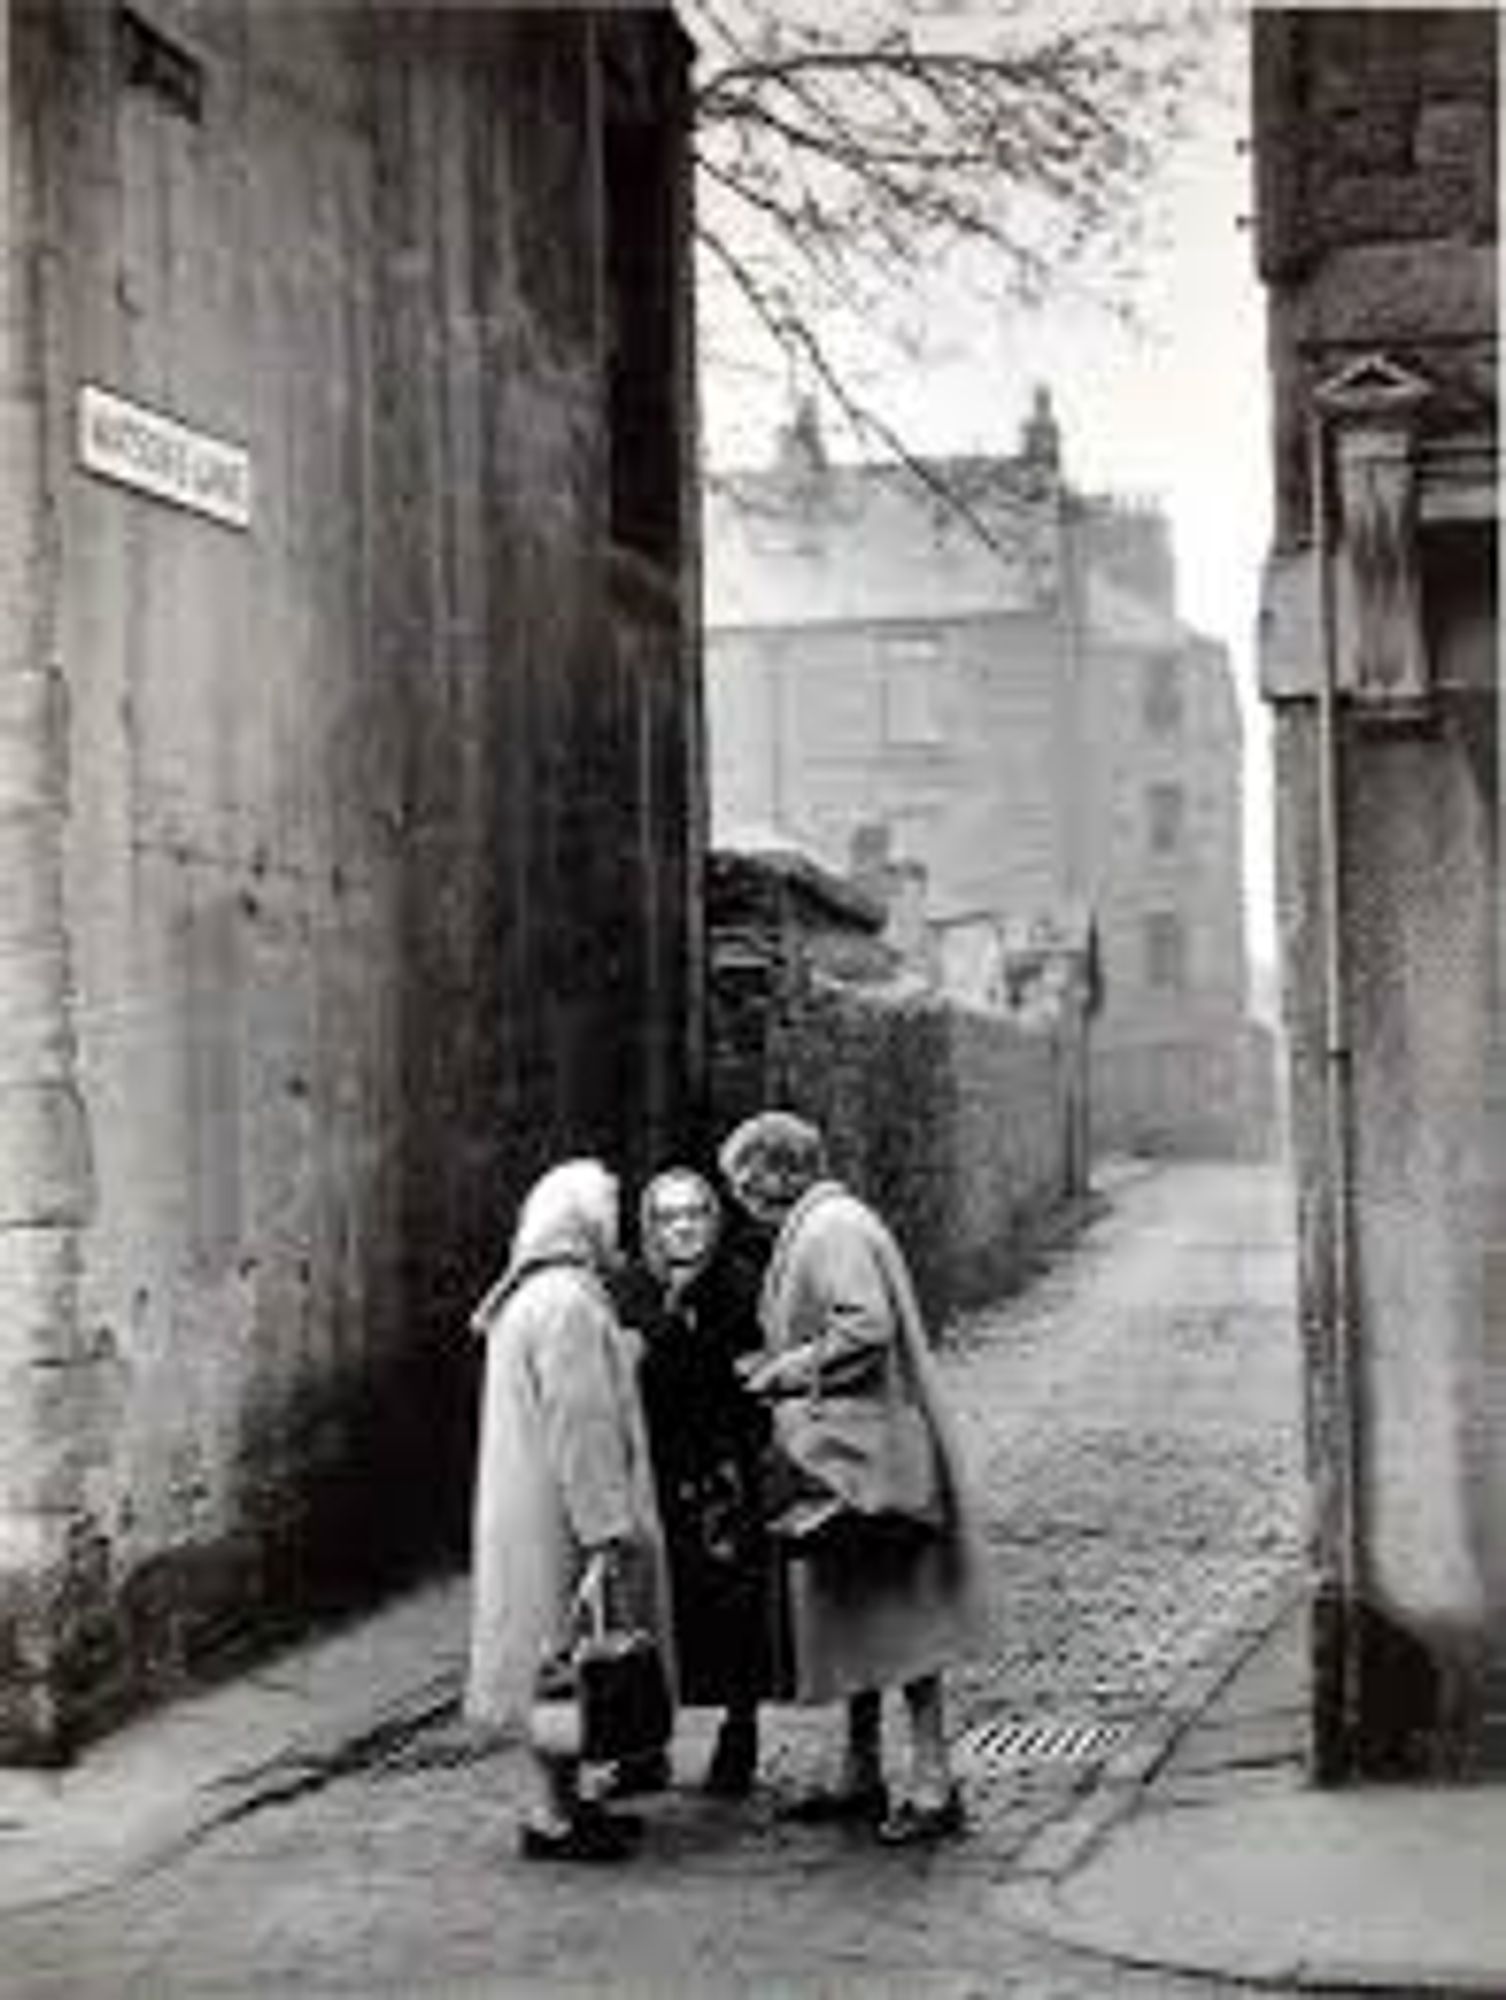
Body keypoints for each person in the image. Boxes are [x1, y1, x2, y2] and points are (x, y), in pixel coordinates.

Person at [718, 1111, 989, 1845]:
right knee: (862, 1611)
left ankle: (933, 1785)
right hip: (856, 1451)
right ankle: (861, 1771)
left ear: (764, 1175)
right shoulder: (831, 1219)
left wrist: (786, 1369)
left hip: (865, 1458)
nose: (738, 1197)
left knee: (902, 1617)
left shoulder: (830, 1229)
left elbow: (864, 1328)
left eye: (740, 1180)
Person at [463, 1159, 673, 1862]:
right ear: (583, 1221)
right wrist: (608, 1532)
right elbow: (581, 1427)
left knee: (550, 1665)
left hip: (528, 1512)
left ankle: (559, 1801)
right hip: (559, 1517)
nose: (617, 1230)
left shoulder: (529, 1296)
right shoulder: (568, 1303)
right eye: (609, 1215)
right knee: (561, 1663)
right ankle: (551, 1815)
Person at [625, 1167, 770, 1797]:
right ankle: (640, 1746)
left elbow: (750, 1374)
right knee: (649, 1611)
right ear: (649, 1227)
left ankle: (739, 1736)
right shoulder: (629, 1289)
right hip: (653, 1470)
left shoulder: (740, 1286)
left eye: (694, 1214)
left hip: (722, 1472)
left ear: (713, 1219)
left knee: (731, 1605)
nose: (682, 1227)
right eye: (667, 1216)